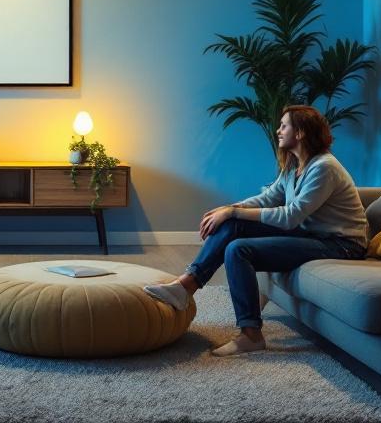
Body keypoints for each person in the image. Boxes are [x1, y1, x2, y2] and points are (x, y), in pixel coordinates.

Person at [143, 104, 368, 357]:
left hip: (342, 244)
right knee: (232, 224)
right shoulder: (295, 166)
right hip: (313, 234)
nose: (278, 130)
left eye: (284, 125)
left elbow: (291, 216)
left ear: (301, 132)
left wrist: (234, 212)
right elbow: (268, 199)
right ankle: (187, 286)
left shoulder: (324, 168)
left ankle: (250, 336)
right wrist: (230, 208)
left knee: (239, 250)